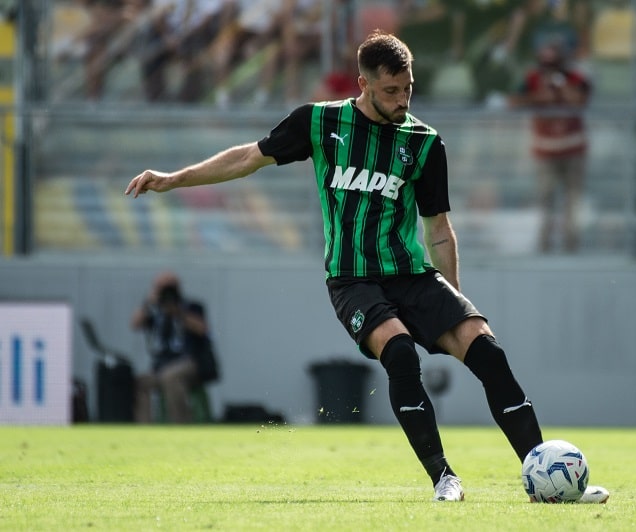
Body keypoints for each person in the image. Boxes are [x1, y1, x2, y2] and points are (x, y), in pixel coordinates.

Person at [124, 30, 608, 503]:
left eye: (409, 89)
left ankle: (544, 474)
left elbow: (438, 228)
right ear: (365, 84)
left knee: (487, 351)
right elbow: (247, 159)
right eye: (392, 91)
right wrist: (172, 179)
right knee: (399, 352)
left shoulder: (423, 142)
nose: (403, 100)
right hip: (352, 280)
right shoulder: (318, 123)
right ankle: (443, 477)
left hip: (413, 276)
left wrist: (454, 305)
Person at [508, 39, 591, 253]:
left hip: (573, 149)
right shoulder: (533, 78)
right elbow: (514, 101)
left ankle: (571, 246)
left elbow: (581, 99)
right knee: (546, 201)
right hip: (546, 150)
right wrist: (538, 97)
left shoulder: (574, 78)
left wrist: (562, 87)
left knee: (572, 202)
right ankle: (545, 245)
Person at [130, 272, 217, 422]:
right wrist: (148, 303)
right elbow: (135, 324)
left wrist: (179, 312)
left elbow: (203, 329)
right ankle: (144, 427)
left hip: (189, 363)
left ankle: (180, 425)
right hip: (161, 365)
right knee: (140, 382)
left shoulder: (192, 306)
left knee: (170, 377)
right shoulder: (155, 311)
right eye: (162, 288)